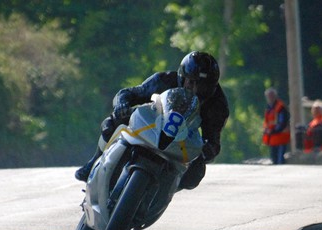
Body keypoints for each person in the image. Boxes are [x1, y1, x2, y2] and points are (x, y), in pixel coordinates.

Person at [75, 51, 229, 190]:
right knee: (113, 121)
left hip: (182, 142)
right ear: (182, 77)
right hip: (153, 125)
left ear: (212, 87)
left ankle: (165, 192)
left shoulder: (218, 106)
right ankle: (93, 161)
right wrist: (122, 103)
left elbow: (213, 141)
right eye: (191, 81)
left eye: (202, 86)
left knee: (196, 174)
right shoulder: (164, 80)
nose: (194, 89)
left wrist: (205, 151)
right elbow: (130, 93)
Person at [262, 87, 290, 164]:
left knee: (280, 160)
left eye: (271, 96)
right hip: (272, 138)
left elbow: (282, 123)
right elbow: (267, 122)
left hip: (280, 137)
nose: (269, 98)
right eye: (268, 96)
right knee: (274, 159)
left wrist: (273, 131)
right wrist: (265, 130)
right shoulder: (269, 108)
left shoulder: (280, 107)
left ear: (275, 96)